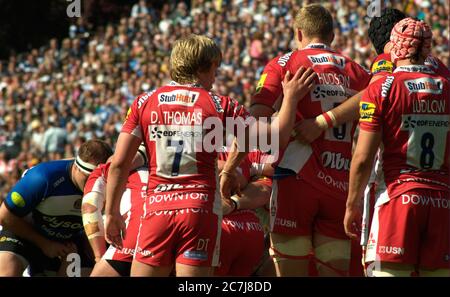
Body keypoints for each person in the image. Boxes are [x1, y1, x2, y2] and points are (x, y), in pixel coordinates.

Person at [104, 34, 316, 277]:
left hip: (157, 210)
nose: (216, 77)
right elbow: (273, 139)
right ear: (204, 67)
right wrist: (290, 98)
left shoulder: (144, 102)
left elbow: (119, 164)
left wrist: (110, 213)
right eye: (215, 68)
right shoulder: (219, 104)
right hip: (200, 211)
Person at [250, 4, 371, 276]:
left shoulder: (285, 63)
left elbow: (255, 118)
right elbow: (377, 93)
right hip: (339, 182)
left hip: (295, 181)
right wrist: (328, 120)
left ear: (299, 32)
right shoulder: (357, 71)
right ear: (332, 35)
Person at [344, 18, 450, 277]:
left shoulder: (382, 87)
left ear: (395, 47)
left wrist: (352, 204)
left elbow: (363, 157)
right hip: (442, 201)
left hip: (396, 198)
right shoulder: (448, 88)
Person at [0, 139, 113, 276]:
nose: (93, 187)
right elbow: (4, 216)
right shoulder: (43, 178)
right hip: (23, 232)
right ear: (76, 167)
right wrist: (45, 244)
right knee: (7, 270)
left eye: (99, 181)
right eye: (88, 179)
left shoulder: (108, 184)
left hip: (66, 243)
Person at [82, 146, 147, 276]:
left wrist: (99, 257)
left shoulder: (105, 169)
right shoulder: (158, 167)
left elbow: (89, 207)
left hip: (142, 225)